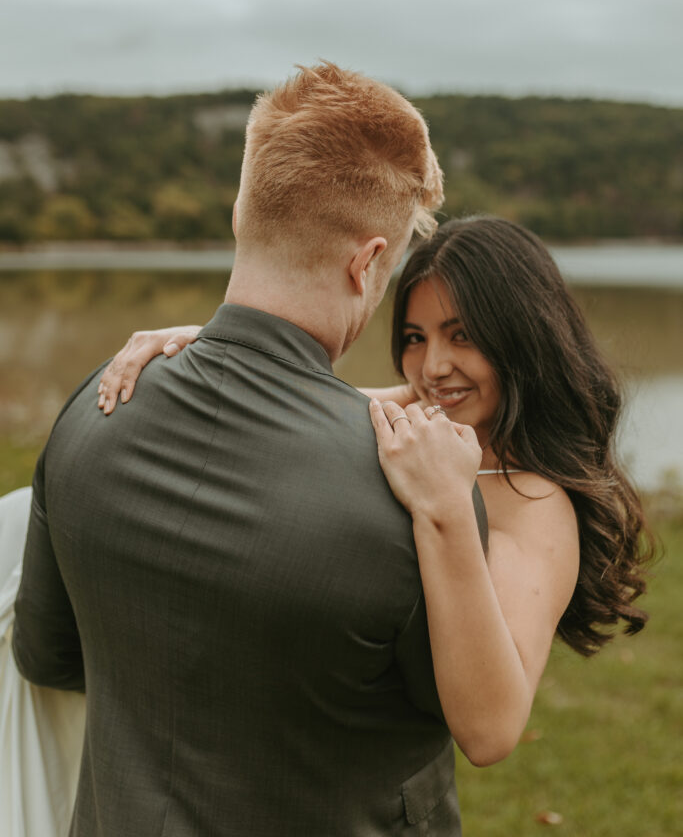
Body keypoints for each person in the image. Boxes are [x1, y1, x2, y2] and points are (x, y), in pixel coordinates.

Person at [10, 61, 464, 837]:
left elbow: (48, 656)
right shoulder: (414, 487)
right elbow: (452, 710)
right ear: (365, 263)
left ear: (238, 215)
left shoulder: (94, 408)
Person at [99, 215, 653, 795]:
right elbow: (308, 403)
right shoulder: (423, 412)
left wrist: (446, 507)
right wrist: (200, 348)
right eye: (416, 338)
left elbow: (492, 731)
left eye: (462, 335)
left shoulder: (534, 501)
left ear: (522, 335)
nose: (434, 367)